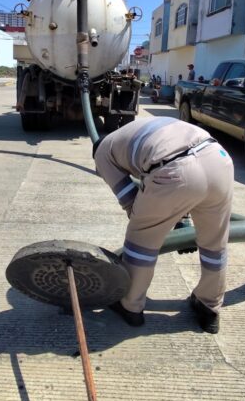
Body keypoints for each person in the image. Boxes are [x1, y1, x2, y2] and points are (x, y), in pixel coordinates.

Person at [92, 117, 234, 333]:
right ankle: (210, 307)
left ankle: (130, 305)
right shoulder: (134, 130)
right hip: (219, 160)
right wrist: (178, 217)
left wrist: (156, 222)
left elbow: (130, 201)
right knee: (215, 244)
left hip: (175, 168)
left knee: (141, 239)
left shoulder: (102, 153)